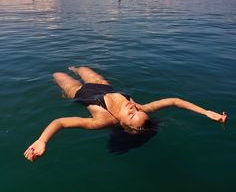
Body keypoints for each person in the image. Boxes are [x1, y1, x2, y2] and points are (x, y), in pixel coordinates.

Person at [24, 66, 227, 162]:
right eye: (137, 109)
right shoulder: (141, 109)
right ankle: (76, 68)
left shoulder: (103, 120)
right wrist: (206, 112)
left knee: (58, 75)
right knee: (82, 68)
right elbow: (174, 101)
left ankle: (63, 85)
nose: (133, 108)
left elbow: (60, 122)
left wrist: (42, 141)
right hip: (102, 85)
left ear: (122, 124)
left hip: (80, 93)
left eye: (131, 114)